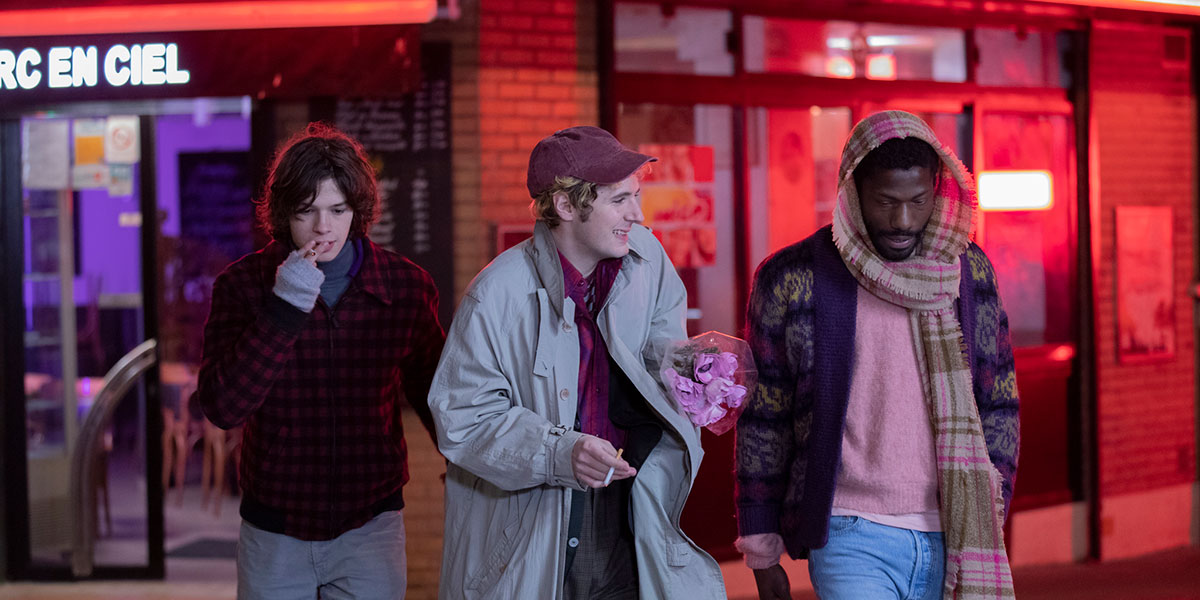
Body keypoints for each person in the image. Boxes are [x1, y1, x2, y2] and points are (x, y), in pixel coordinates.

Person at [427, 126, 726, 599]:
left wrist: (689, 369)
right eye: (620, 200)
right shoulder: (496, 294)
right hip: (536, 520)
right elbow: (464, 419)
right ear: (566, 206)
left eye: (636, 196)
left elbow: (657, 345)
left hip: (632, 505)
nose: (637, 214)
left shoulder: (647, 259)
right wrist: (559, 453)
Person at [735, 110, 1019, 600]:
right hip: (850, 531)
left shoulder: (969, 273)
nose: (903, 221)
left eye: (917, 201)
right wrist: (761, 546)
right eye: (886, 201)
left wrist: (990, 504)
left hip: (956, 529)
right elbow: (765, 416)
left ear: (936, 190)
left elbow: (1000, 400)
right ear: (852, 192)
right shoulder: (792, 277)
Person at [197, 122, 444, 600]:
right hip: (275, 528)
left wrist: (471, 467)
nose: (323, 227)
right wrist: (285, 306)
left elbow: (439, 397)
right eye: (306, 211)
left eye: (337, 210)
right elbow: (224, 407)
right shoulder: (242, 285)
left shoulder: (405, 287)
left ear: (358, 210)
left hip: (370, 524)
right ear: (283, 212)